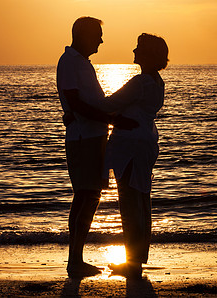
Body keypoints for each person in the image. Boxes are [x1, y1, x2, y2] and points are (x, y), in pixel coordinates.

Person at [57, 16, 138, 278]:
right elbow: (76, 103)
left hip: (92, 137)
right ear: (83, 35)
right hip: (83, 139)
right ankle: (74, 260)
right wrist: (113, 119)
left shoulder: (81, 63)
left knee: (90, 196)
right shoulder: (70, 61)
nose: (101, 41)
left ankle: (76, 259)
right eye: (97, 36)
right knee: (85, 195)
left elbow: (85, 103)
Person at [91, 33, 168, 277]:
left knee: (131, 201)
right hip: (144, 143)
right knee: (141, 200)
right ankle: (136, 259)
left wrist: (84, 103)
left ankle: (132, 263)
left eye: (139, 48)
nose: (134, 50)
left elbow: (108, 103)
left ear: (147, 54)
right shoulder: (157, 82)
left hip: (131, 147)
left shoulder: (141, 82)